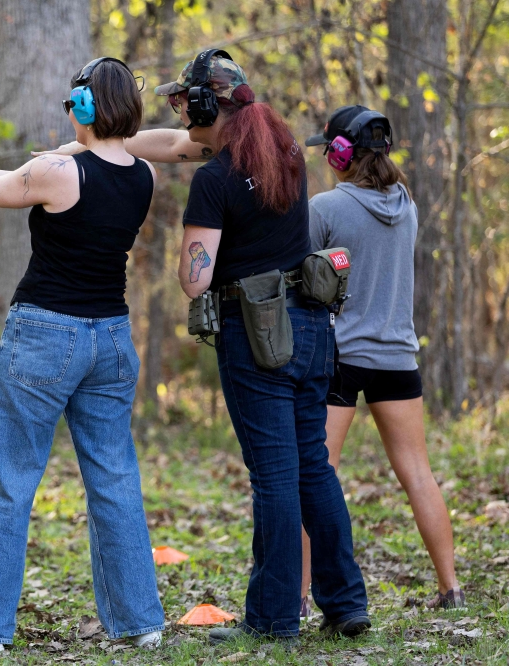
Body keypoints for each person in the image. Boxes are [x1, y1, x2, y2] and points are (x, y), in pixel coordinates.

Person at [0, 57, 166, 652]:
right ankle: (140, 624)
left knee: (7, 481)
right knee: (114, 478)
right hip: (110, 338)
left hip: (45, 336)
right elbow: (74, 159)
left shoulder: (56, 170)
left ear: (84, 108)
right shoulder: (143, 176)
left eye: (72, 103)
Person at [154, 48, 370, 643]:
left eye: (185, 101)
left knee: (274, 477)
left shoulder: (216, 180)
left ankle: (274, 620)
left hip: (255, 337)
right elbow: (174, 146)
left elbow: (195, 278)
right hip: (311, 328)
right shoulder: (286, 156)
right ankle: (346, 603)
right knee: (313, 471)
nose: (180, 113)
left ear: (206, 103)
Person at [301, 106, 465, 611]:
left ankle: (301, 598)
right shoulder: (407, 204)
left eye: (329, 148)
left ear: (341, 154)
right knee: (418, 471)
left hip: (341, 356)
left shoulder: (325, 207)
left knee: (316, 473)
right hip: (397, 355)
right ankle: (451, 587)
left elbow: (302, 276)